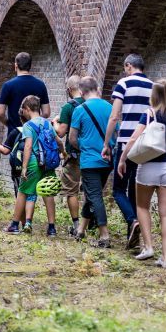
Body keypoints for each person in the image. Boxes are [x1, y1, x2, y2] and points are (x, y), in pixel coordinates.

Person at [118, 79, 166, 267]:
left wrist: (123, 159)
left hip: (148, 166)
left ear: (154, 95)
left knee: (142, 207)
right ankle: (165, 258)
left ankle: (148, 247)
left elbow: (133, 139)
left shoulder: (148, 114)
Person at [101, 53, 152, 250]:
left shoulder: (124, 83)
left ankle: (132, 220)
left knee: (118, 189)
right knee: (134, 190)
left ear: (129, 66)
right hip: (145, 144)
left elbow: (114, 117)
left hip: (125, 143)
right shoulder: (153, 86)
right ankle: (133, 238)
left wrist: (107, 143)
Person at [2, 96, 58, 235]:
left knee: (23, 192)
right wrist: (63, 153)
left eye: (24, 110)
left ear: (27, 109)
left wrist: (24, 167)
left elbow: (27, 146)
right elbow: (58, 142)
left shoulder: (28, 125)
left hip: (34, 162)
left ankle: (15, 225)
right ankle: (51, 228)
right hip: (48, 163)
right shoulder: (47, 124)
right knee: (48, 192)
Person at [69, 76, 114, 247]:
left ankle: (104, 235)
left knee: (94, 195)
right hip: (107, 160)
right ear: (97, 89)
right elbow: (116, 134)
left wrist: (85, 146)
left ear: (81, 92)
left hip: (89, 161)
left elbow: (72, 138)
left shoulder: (79, 110)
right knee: (92, 193)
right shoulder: (110, 107)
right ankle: (81, 230)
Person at [54, 75, 84, 236]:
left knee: (71, 190)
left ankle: (77, 224)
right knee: (91, 189)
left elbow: (61, 132)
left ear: (69, 89)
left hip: (73, 155)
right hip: (90, 154)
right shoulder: (90, 103)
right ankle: (90, 223)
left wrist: (55, 122)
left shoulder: (68, 107)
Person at [0, 51, 50, 136]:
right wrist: (34, 123)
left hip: (15, 133)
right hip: (34, 133)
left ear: (16, 66)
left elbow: (0, 113)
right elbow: (46, 112)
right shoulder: (40, 84)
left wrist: (10, 124)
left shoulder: (8, 85)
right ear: (30, 66)